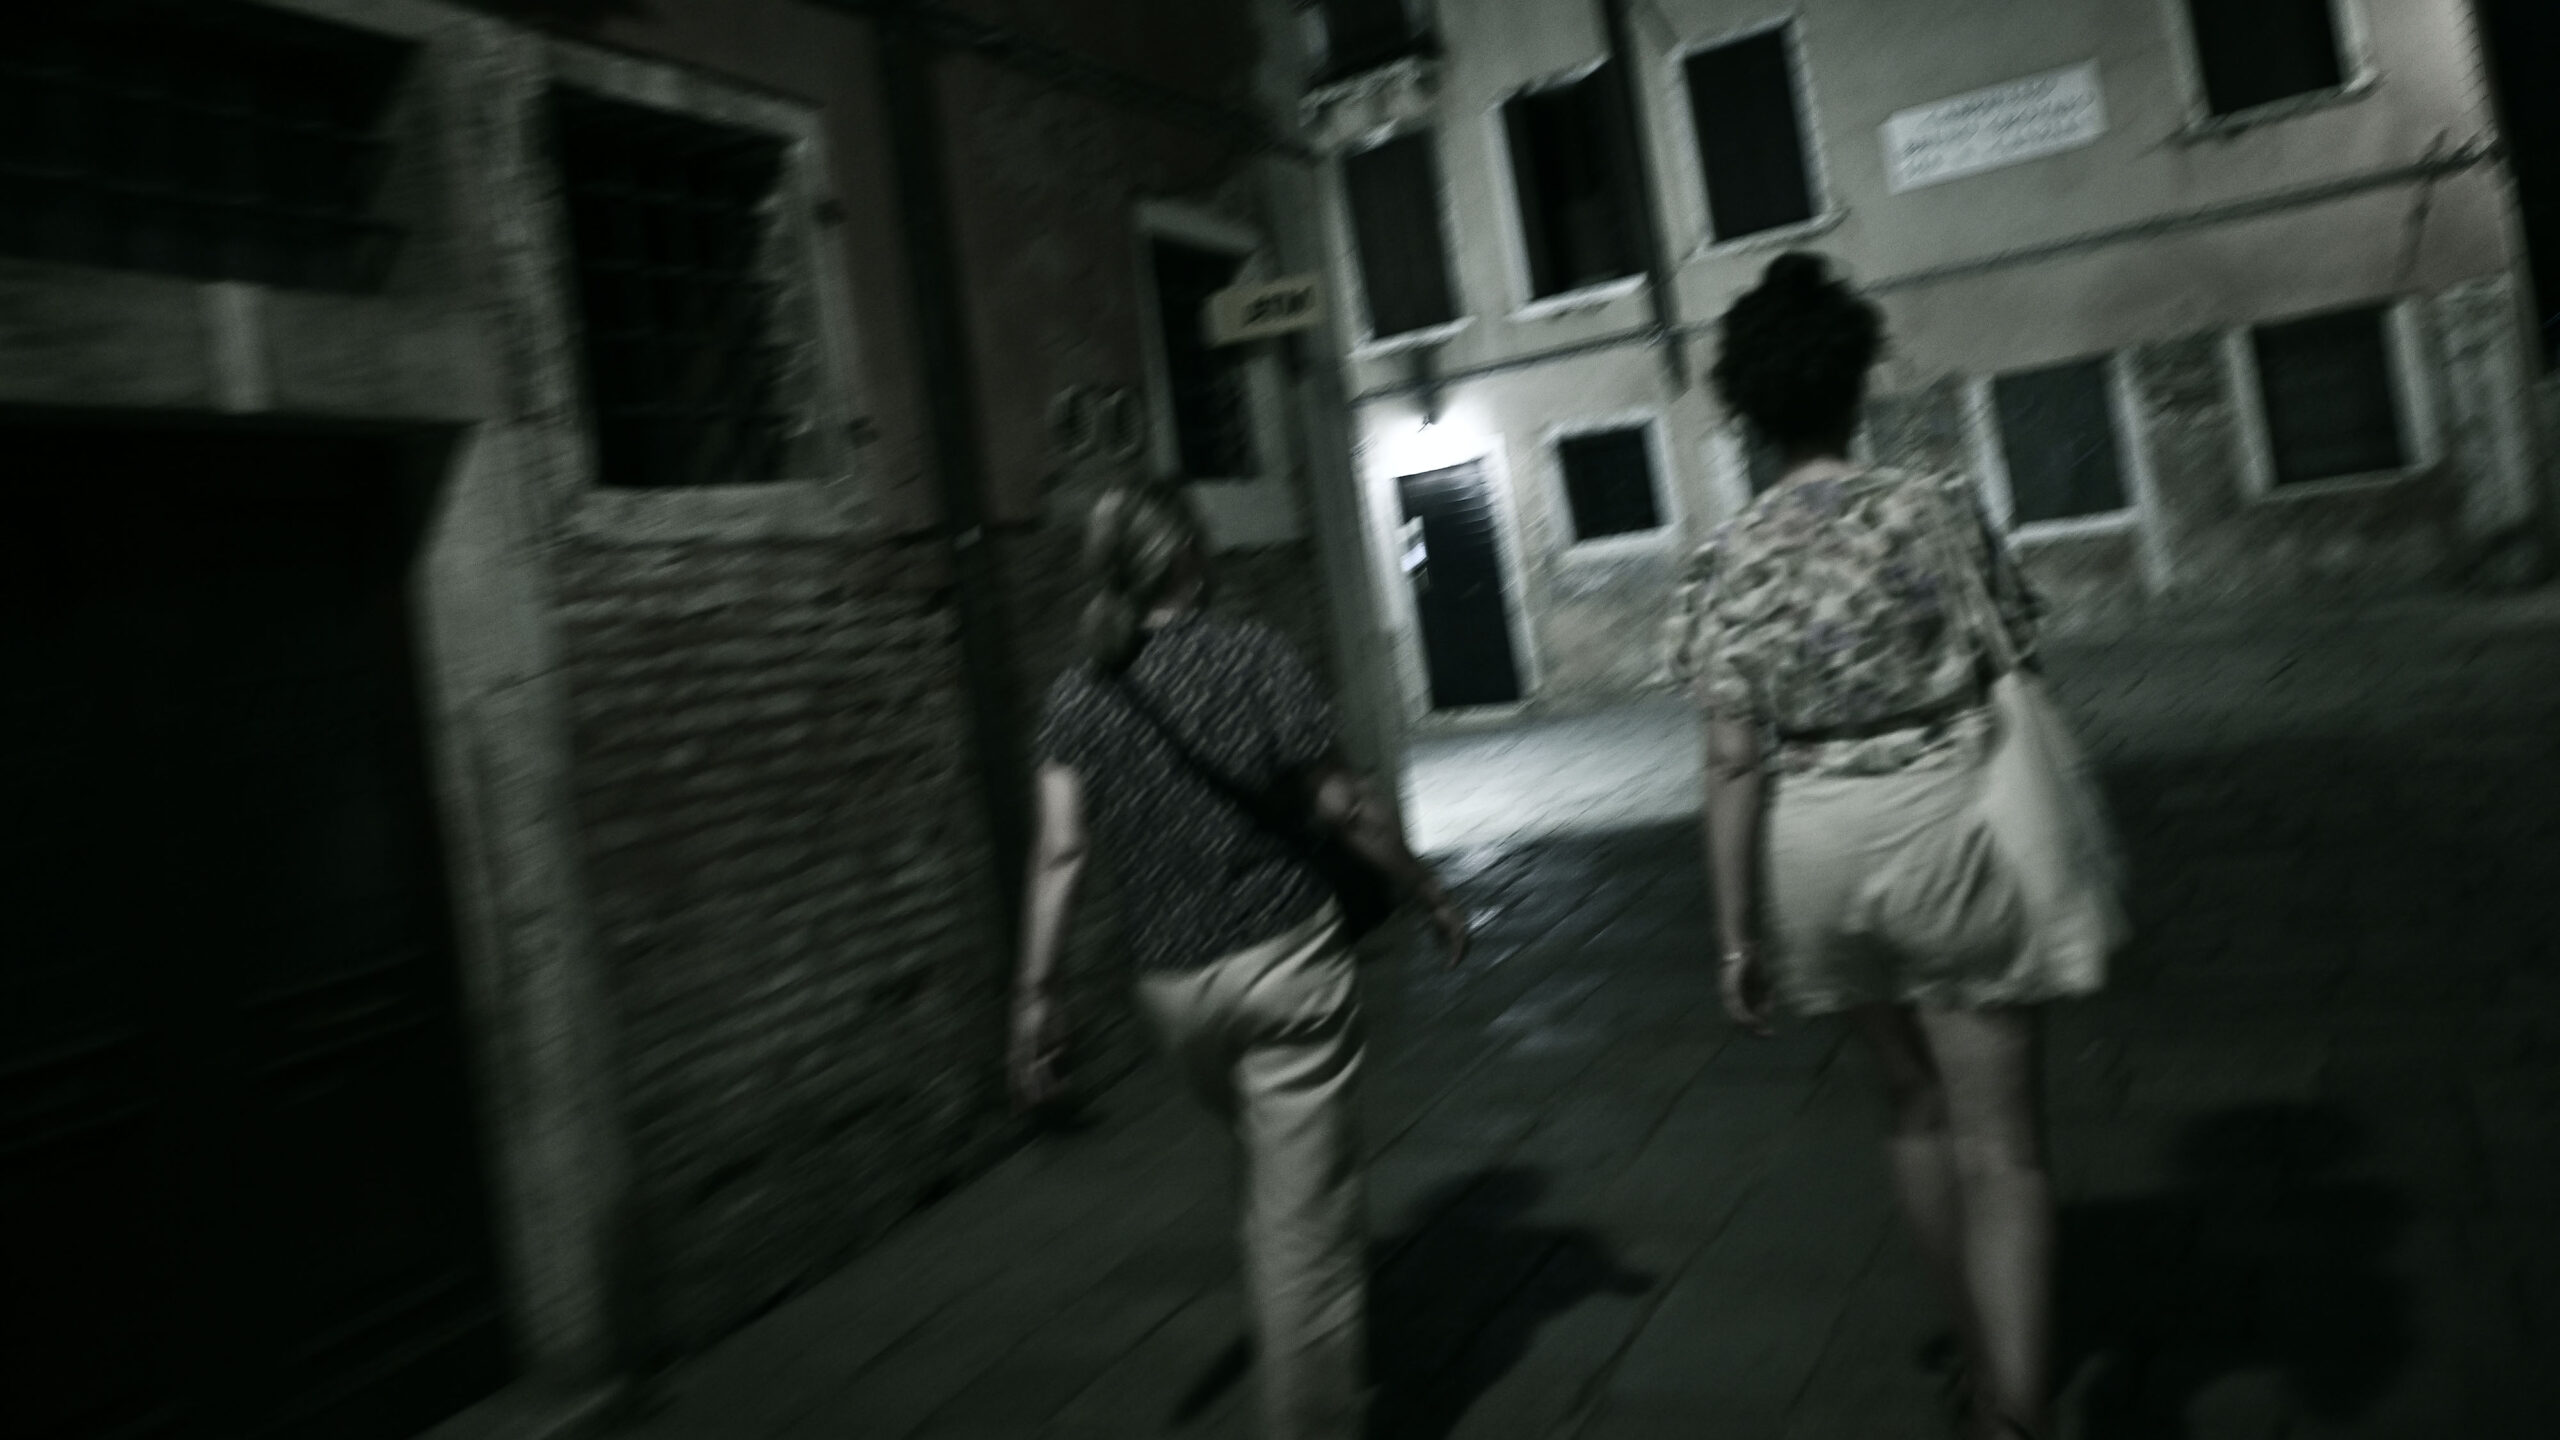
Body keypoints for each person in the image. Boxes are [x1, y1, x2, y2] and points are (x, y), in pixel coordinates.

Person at [1667, 253, 2100, 1440]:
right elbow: (2016, 656)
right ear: (1856, 380)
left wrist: (1734, 938)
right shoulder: (1935, 507)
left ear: (1745, 408)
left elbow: (1728, 761)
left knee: (1910, 1105)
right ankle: (2015, 1416)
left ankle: (1976, 1367)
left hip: (1812, 852)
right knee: (2001, 1149)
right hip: (1938, 826)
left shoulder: (1725, 557)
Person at [1009, 479, 1468, 1440]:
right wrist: (1424, 886)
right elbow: (1344, 806)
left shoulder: (1077, 695)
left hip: (1173, 992)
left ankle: (1284, 1287)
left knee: (1271, 1175)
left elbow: (1059, 852)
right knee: (1308, 1230)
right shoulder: (1253, 654)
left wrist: (1036, 994)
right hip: (1284, 965)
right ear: (1185, 553)